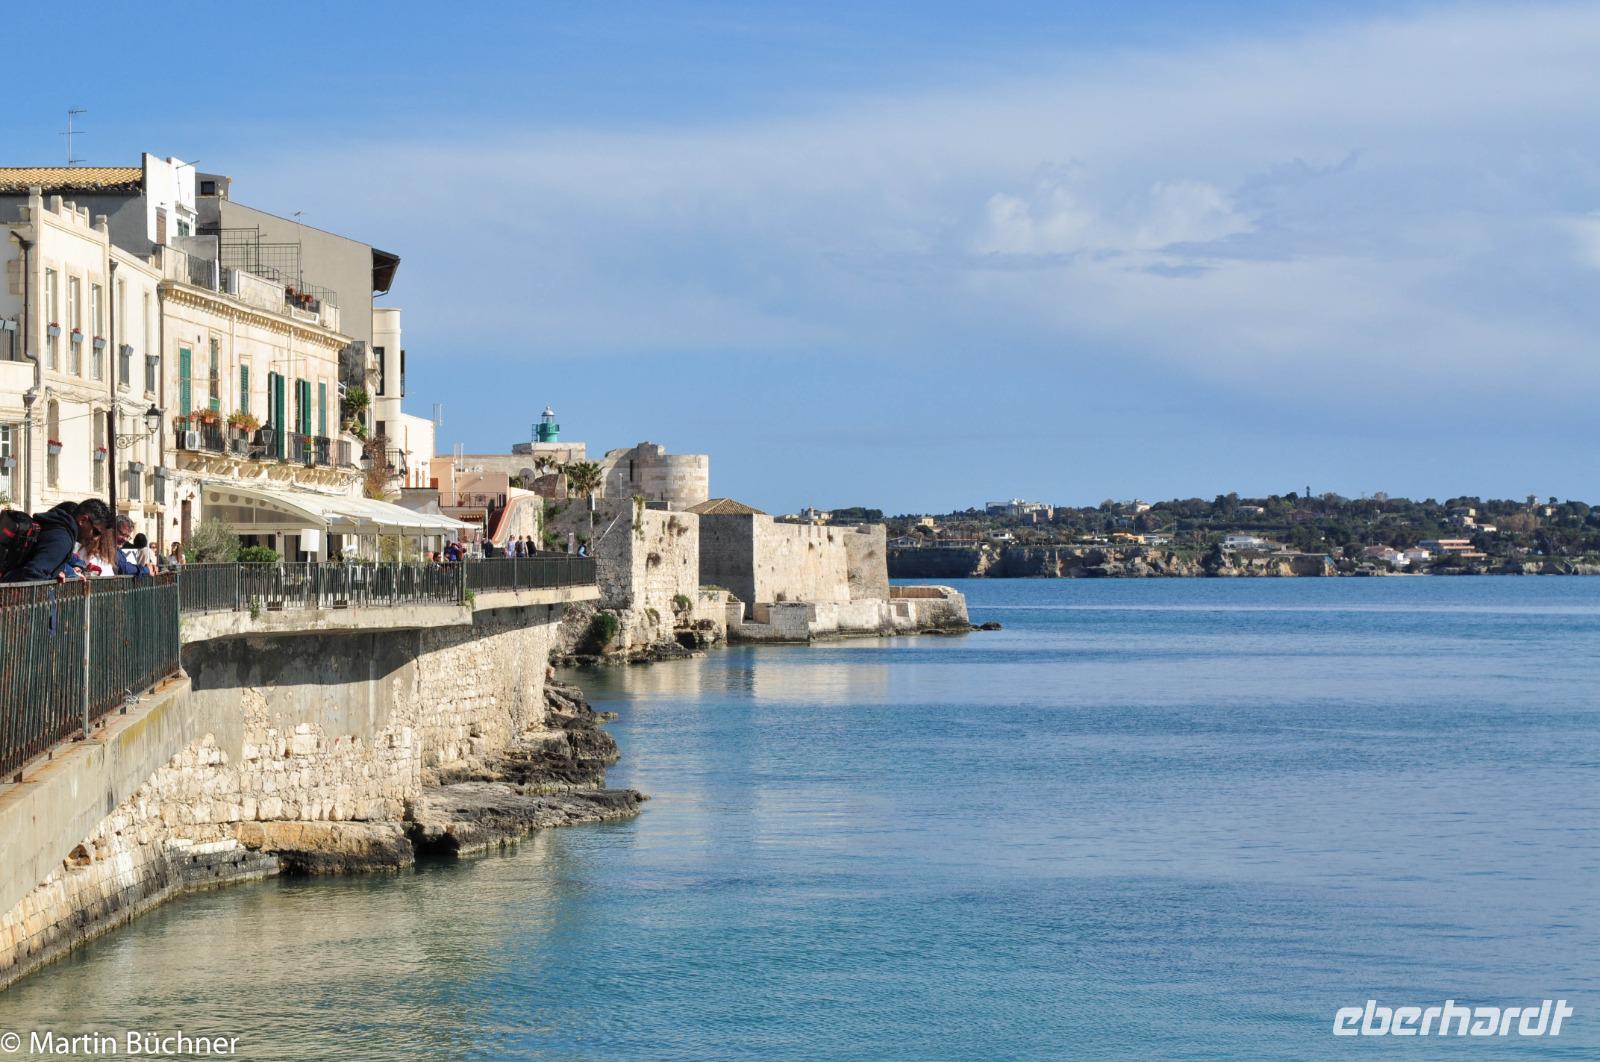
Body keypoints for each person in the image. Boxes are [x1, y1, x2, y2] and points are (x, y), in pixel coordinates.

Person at [0, 498, 113, 583]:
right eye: (96, 532)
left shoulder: (57, 527)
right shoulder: (62, 538)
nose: (96, 538)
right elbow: (34, 574)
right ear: (83, 520)